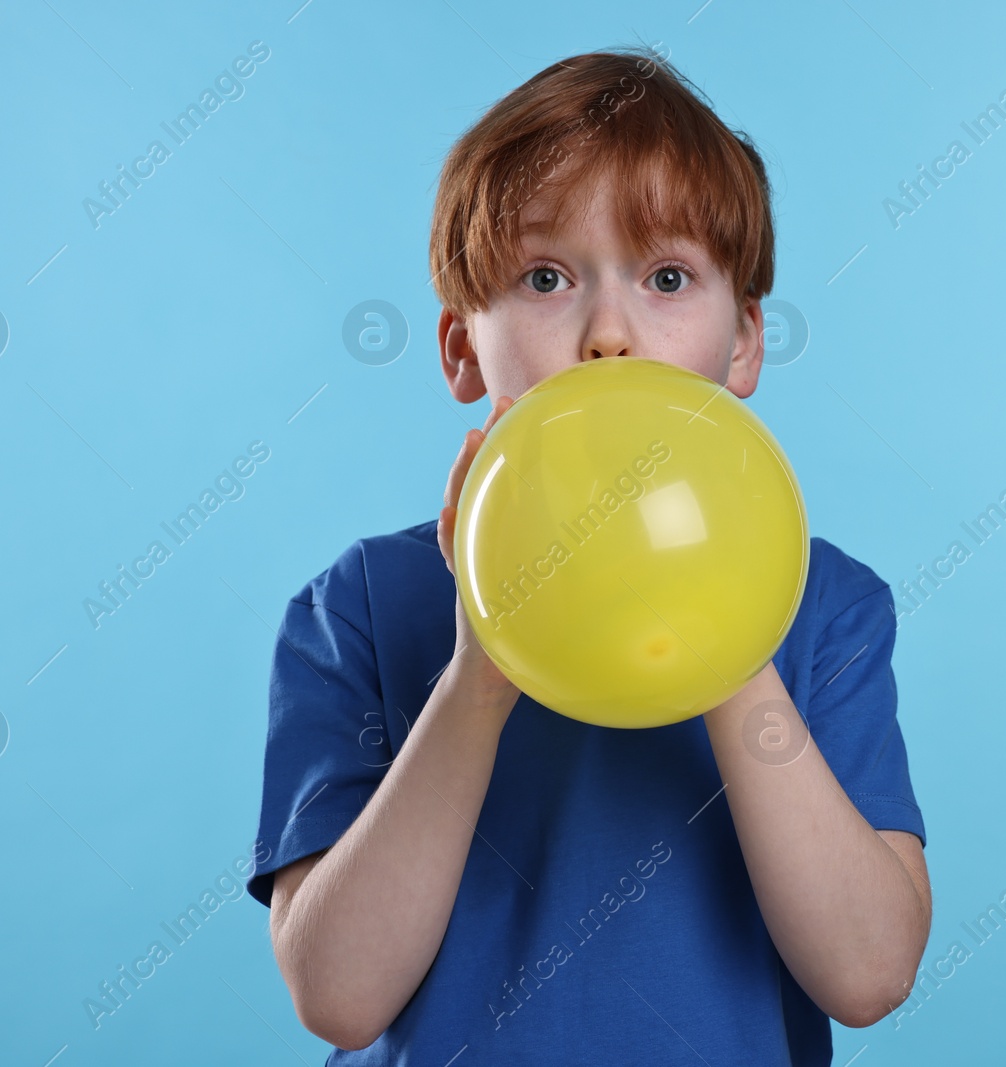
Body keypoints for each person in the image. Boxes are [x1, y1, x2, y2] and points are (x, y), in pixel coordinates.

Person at [246, 45, 932, 1064]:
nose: (608, 332)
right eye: (545, 276)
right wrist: (482, 663)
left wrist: (729, 640)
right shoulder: (358, 604)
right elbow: (338, 996)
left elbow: (869, 975)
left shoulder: (824, 603)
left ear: (742, 343)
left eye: (665, 277)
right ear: (461, 350)